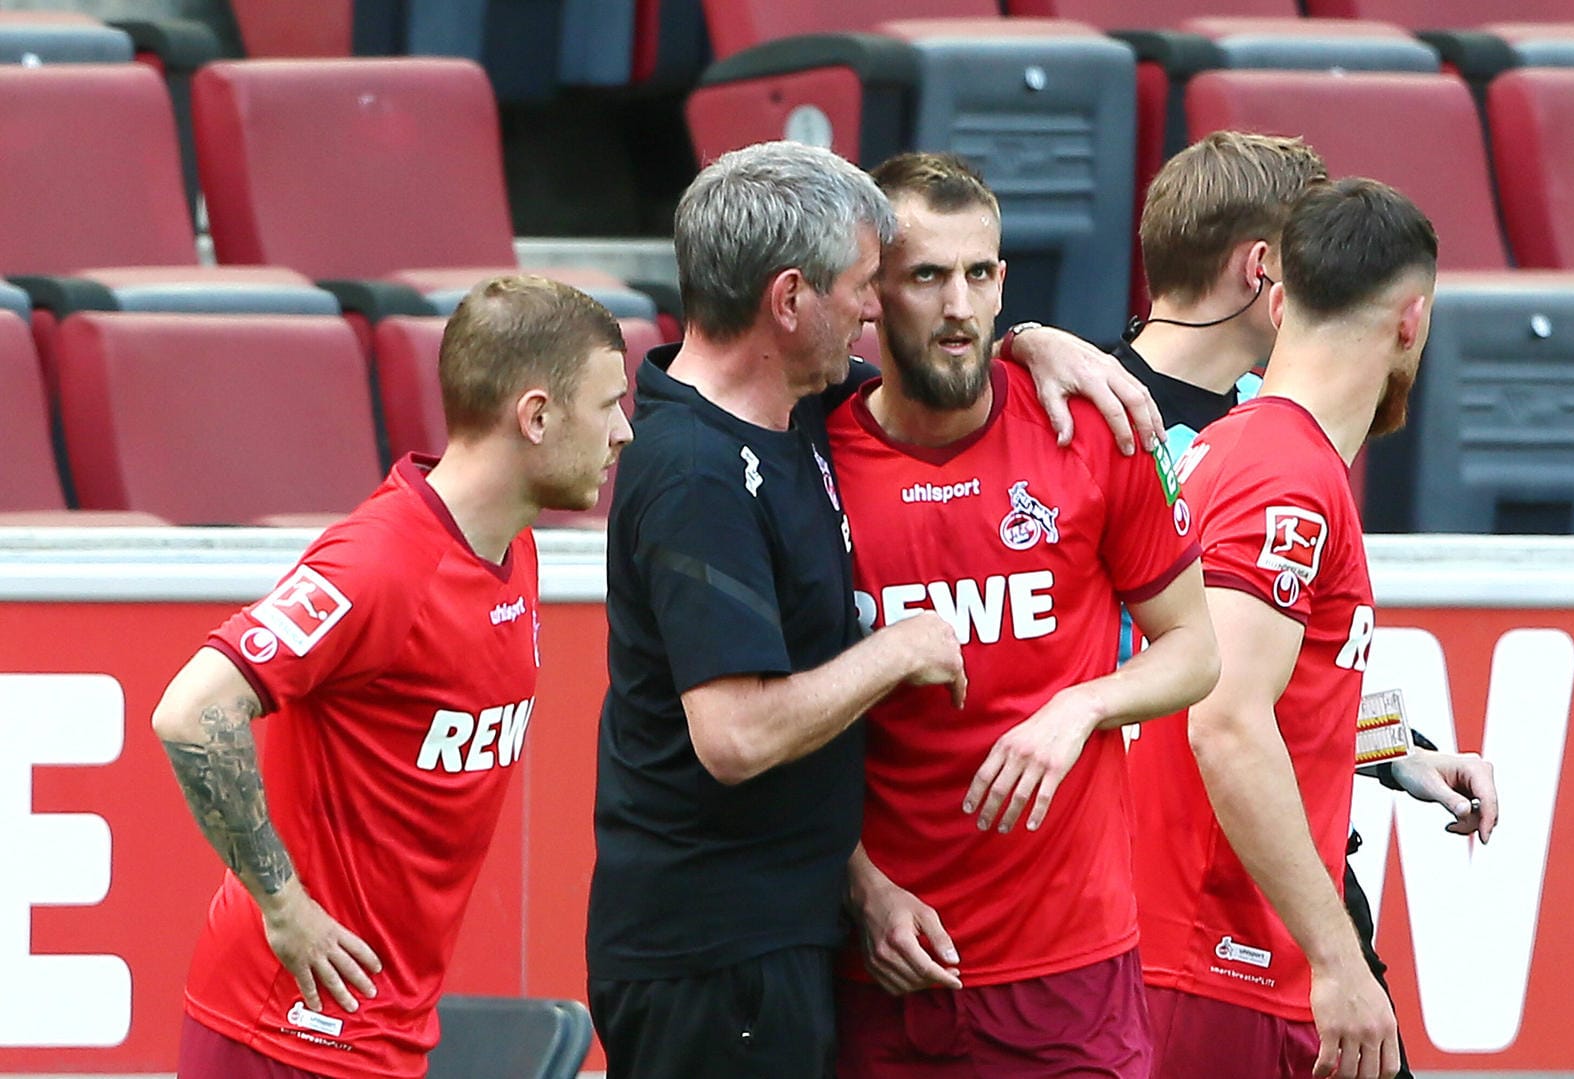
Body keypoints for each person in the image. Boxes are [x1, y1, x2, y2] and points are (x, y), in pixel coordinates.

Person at [587, 141, 1166, 1079]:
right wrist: (897, 652)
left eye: (980, 275)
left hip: (800, 945)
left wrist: (1027, 339)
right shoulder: (700, 467)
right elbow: (734, 736)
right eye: (876, 283)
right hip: (714, 958)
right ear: (788, 300)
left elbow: (942, 365)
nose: (869, 310)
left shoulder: (791, 419)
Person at [152, 275, 634, 1079]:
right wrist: (283, 905)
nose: (623, 431)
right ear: (538, 415)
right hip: (284, 1029)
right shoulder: (380, 563)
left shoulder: (513, 548)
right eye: (608, 403)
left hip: (381, 1031)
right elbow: (192, 710)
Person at [828, 151, 1219, 1078]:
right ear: (873, 295)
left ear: (1004, 283)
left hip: (1069, 974)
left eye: (978, 274)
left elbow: (1195, 648)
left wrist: (1082, 705)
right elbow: (776, 714)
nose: (958, 304)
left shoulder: (1091, 430)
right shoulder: (815, 459)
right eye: (926, 275)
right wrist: (858, 888)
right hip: (879, 963)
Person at [1124, 137, 1500, 1079]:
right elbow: (1225, 718)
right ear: (1412, 320)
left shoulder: (1242, 446)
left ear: (1284, 300)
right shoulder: (1285, 475)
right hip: (1222, 955)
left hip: (1210, 946)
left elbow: (1268, 691)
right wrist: (1338, 960)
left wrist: (1394, 751)